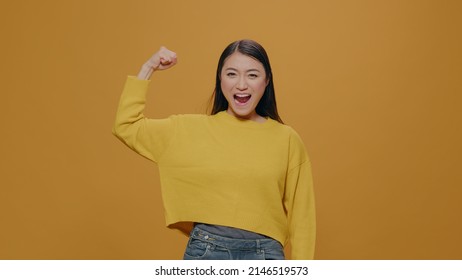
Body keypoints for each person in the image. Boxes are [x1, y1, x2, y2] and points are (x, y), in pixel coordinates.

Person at [113, 39, 315, 260]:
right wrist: (148, 67)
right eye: (231, 74)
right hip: (207, 253)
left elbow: (302, 217)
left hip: (266, 256)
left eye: (252, 75)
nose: (241, 84)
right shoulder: (189, 129)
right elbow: (126, 126)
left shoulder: (286, 140)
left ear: (266, 81)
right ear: (220, 79)